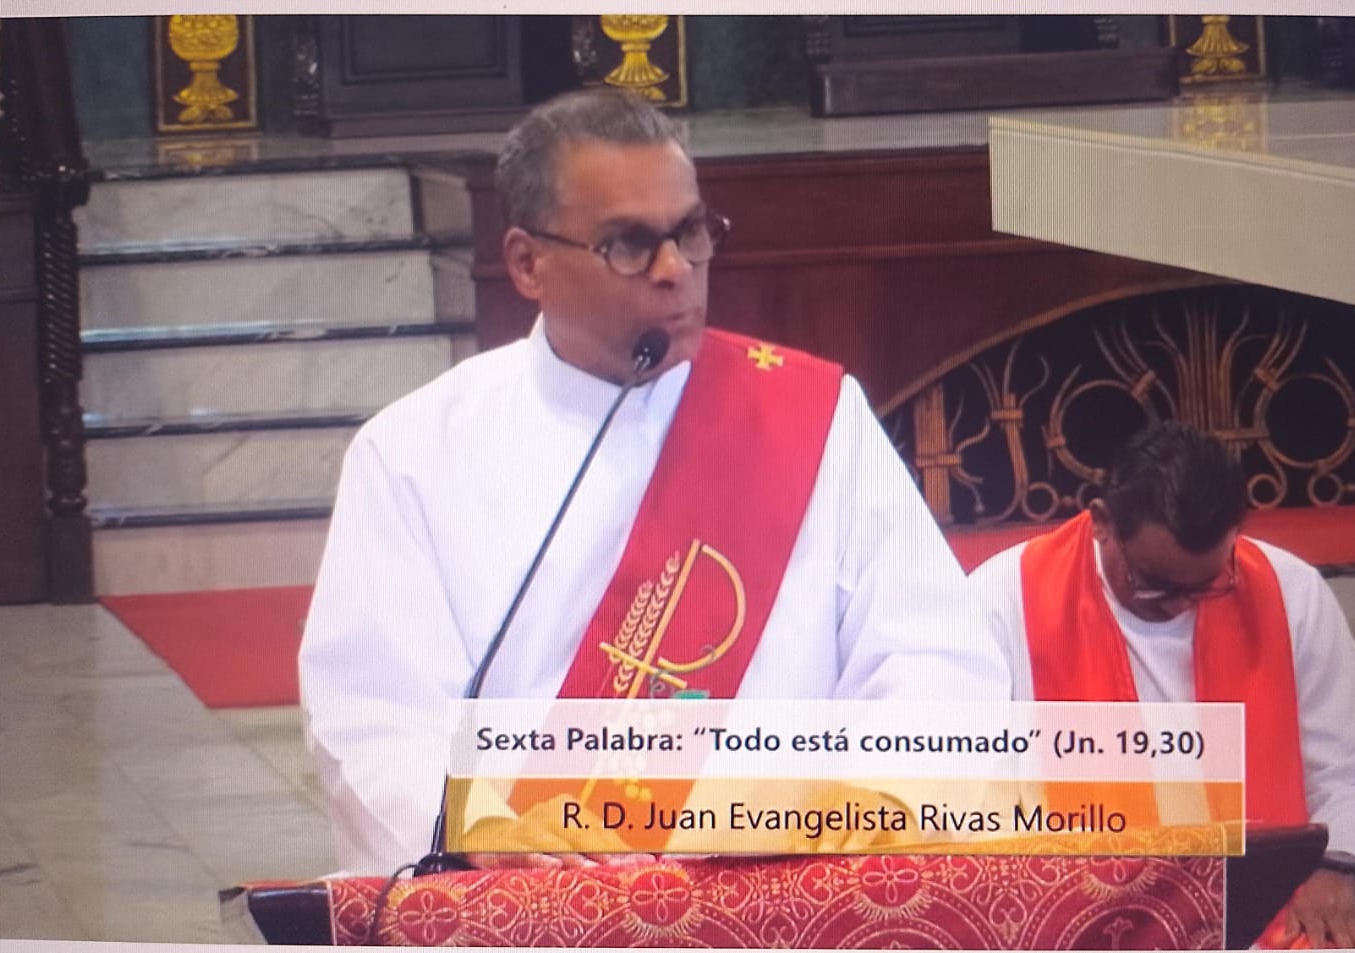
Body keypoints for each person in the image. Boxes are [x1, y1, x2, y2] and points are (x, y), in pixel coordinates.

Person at [299, 87, 1010, 876]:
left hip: (780, 892)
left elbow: (935, 654)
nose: (676, 271)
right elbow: (373, 715)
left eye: (691, 233)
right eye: (629, 244)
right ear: (528, 263)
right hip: (539, 900)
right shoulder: (414, 451)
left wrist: (858, 800)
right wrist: (478, 827)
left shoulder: (812, 414)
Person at [968, 422, 1355, 949]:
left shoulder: (1289, 593)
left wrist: (1337, 867)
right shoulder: (1003, 602)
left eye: (1208, 585)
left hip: (1270, 919)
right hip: (1076, 917)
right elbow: (964, 794)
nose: (1181, 605)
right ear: (1102, 522)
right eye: (1155, 585)